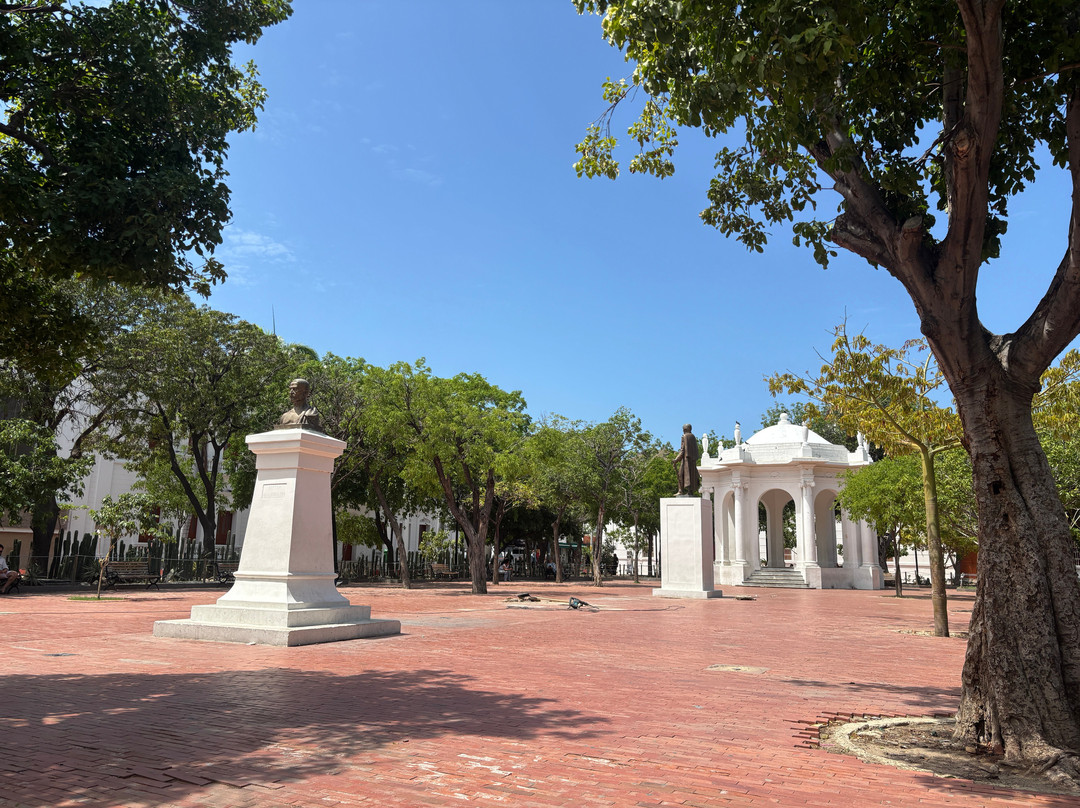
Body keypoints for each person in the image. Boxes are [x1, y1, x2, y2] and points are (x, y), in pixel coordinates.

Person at [673, 423, 700, 495]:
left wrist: (676, 459)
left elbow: (682, 450)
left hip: (686, 460)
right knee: (691, 476)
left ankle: (680, 491)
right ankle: (690, 491)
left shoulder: (684, 437)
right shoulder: (693, 437)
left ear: (685, 429)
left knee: (681, 474)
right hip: (693, 461)